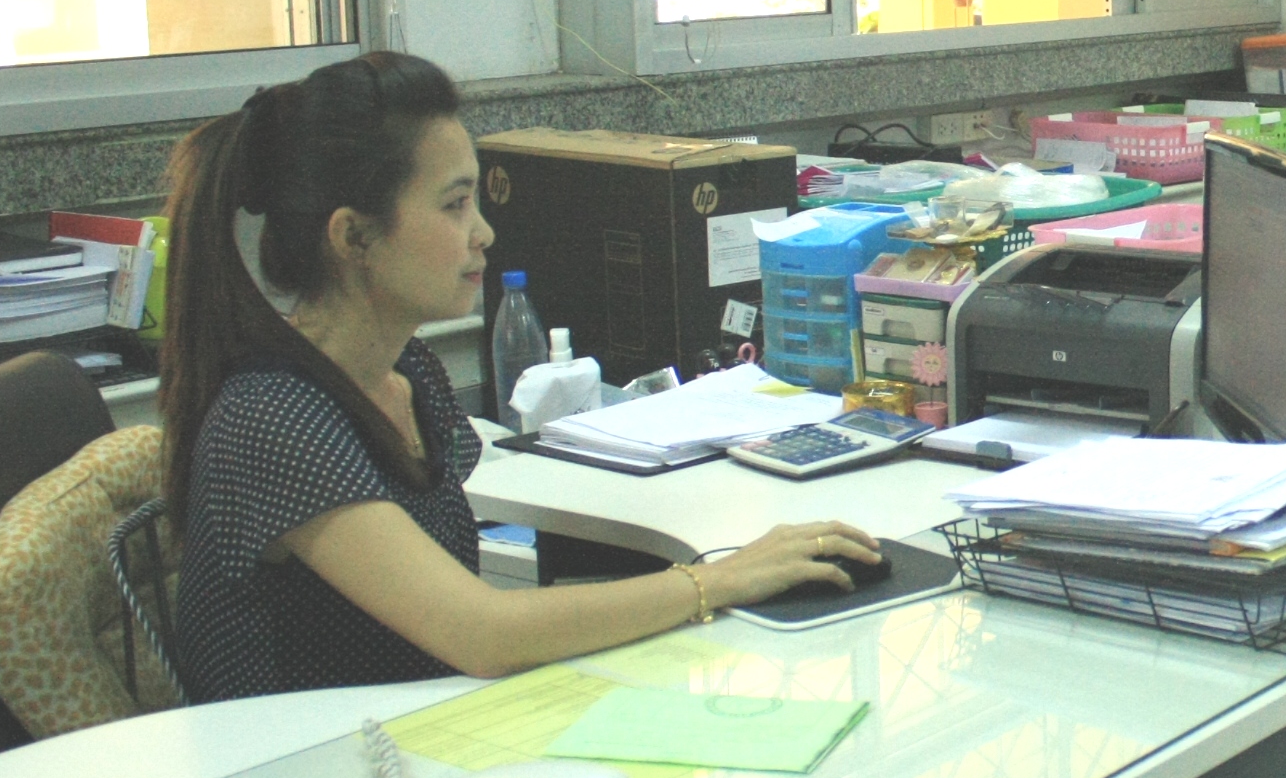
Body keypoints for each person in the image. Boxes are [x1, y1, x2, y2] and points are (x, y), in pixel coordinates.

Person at [158, 53, 880, 701]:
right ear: (353, 236)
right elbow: (483, 633)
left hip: (419, 735)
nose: (485, 233)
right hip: (308, 776)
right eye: (454, 205)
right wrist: (718, 580)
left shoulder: (407, 374)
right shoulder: (273, 416)